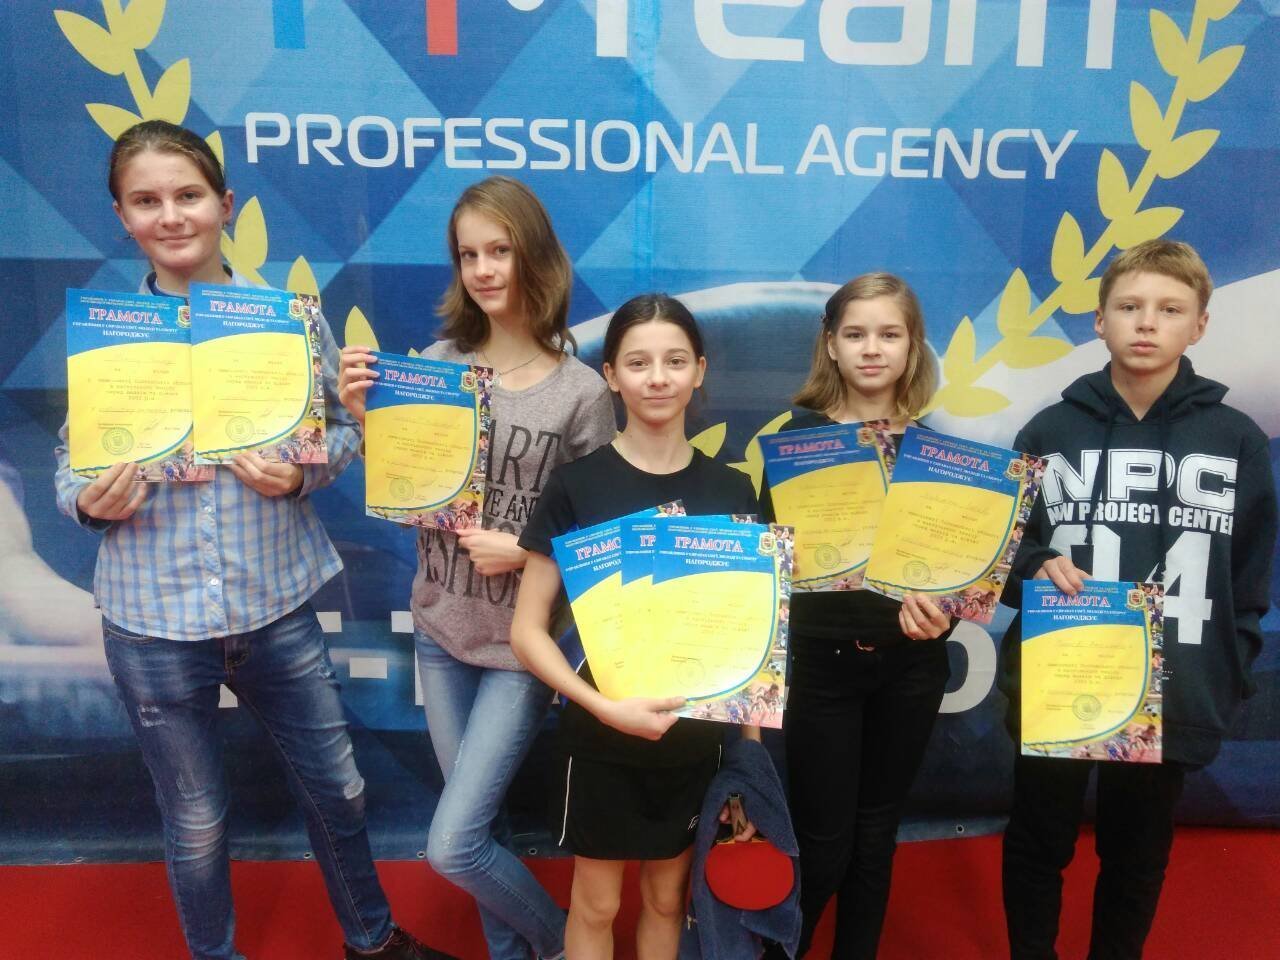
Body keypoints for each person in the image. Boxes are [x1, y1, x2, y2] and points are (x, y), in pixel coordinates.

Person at [52, 120, 447, 960]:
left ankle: (371, 941)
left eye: (188, 195)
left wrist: (300, 476)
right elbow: (68, 464)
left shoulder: (285, 321)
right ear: (122, 216)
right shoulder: (111, 333)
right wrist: (88, 500)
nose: (171, 215)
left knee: (339, 789)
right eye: (146, 200)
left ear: (224, 204)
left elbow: (345, 429)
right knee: (195, 818)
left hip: (276, 607)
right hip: (151, 619)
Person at [339, 176, 617, 960]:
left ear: (536, 257)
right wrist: (368, 422)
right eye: (469, 255)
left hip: (521, 646)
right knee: (479, 828)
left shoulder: (581, 393)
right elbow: (412, 494)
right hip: (441, 629)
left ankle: (564, 946)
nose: (485, 269)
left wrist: (525, 550)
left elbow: (602, 538)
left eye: (500, 250)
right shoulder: (437, 364)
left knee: (453, 844)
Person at [998, 239, 1277, 959]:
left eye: (1169, 309)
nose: (1147, 323)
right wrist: (1034, 561)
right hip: (1060, 674)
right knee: (1038, 840)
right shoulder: (1049, 431)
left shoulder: (1236, 439)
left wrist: (1227, 668)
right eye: (1129, 306)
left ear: (1200, 325)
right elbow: (1001, 550)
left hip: (1170, 685)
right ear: (1099, 321)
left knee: (1135, 852)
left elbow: (1247, 579)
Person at [511, 294, 763, 960]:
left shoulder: (733, 492)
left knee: (667, 901)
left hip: (693, 742)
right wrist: (602, 707)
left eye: (675, 361)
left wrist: (748, 760)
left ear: (699, 371)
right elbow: (527, 631)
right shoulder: (576, 486)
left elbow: (750, 642)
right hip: (601, 737)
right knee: (596, 904)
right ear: (611, 375)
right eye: (639, 362)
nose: (658, 378)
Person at [759, 273, 955, 959]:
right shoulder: (797, 442)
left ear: (912, 346)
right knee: (823, 844)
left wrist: (947, 614)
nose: (872, 348)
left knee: (877, 836)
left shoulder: (939, 453)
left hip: (912, 670)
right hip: (821, 670)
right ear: (832, 346)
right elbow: (767, 563)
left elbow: (958, 573)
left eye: (889, 334)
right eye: (856, 333)